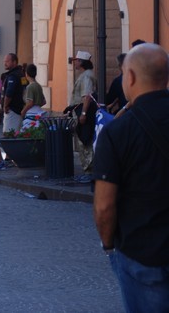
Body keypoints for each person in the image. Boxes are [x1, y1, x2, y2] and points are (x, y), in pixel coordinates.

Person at [93, 43, 169, 311]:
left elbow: (104, 205)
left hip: (142, 252)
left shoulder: (117, 132)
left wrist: (108, 246)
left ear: (132, 77)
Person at [70, 50, 97, 177]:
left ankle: (89, 171)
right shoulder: (87, 74)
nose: (74, 62)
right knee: (84, 139)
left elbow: (87, 96)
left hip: (83, 111)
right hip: (80, 110)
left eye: (76, 60)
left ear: (81, 62)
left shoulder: (86, 76)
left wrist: (83, 114)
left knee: (84, 141)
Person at [2, 53, 24, 134]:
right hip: (19, 109)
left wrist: (5, 106)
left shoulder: (13, 76)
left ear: (14, 62)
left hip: (12, 110)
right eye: (4, 61)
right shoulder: (20, 74)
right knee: (16, 134)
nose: (5, 63)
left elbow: (9, 93)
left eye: (7, 61)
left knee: (8, 135)